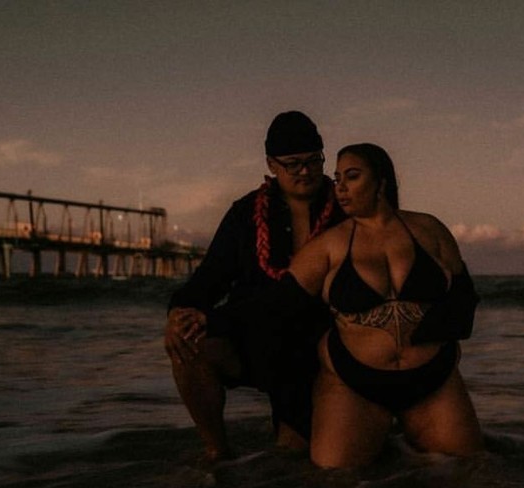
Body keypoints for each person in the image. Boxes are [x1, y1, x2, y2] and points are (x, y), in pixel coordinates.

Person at [211, 143, 483, 468]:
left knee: (469, 471)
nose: (340, 188)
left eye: (352, 177)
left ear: (381, 180)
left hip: (433, 379)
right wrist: (207, 320)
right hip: (355, 382)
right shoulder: (328, 246)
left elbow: (464, 296)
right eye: (338, 178)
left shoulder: (429, 229)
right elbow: (272, 306)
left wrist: (439, 330)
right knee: (336, 480)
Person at [164, 111, 345, 462]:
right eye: (292, 164)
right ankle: (217, 452)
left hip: (318, 348)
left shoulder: (344, 207)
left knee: (295, 456)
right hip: (254, 338)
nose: (305, 171)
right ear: (271, 165)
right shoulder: (245, 212)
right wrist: (178, 314)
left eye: (313, 161)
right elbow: (209, 279)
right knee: (189, 344)